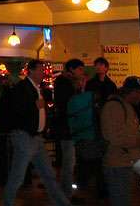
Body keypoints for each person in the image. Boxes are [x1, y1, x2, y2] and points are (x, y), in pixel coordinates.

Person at [2, 59, 71, 206]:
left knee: (48, 174)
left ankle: (62, 203)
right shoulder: (23, 88)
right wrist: (34, 106)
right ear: (31, 71)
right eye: (40, 70)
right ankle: (8, 202)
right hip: (25, 136)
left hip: (36, 137)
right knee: (18, 175)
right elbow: (17, 110)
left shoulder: (36, 88)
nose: (43, 73)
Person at [100, 76, 140, 206]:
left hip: (125, 161)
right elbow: (115, 138)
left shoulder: (126, 106)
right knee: (121, 200)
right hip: (117, 164)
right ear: (130, 92)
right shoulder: (114, 107)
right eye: (139, 92)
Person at [53, 59, 86, 202]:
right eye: (80, 69)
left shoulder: (65, 82)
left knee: (69, 160)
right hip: (67, 128)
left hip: (69, 128)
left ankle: (65, 191)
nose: (82, 73)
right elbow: (70, 104)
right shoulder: (64, 83)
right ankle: (66, 193)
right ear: (72, 69)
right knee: (69, 161)